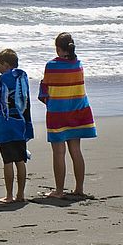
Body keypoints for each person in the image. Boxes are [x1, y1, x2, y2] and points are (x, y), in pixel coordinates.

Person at [38, 32, 97, 199]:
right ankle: (79, 188)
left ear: (58, 48)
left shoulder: (51, 65)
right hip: (78, 111)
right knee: (76, 150)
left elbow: (45, 88)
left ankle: (59, 190)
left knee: (59, 153)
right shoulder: (78, 64)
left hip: (58, 113)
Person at [0, 48, 34, 203]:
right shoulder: (23, 78)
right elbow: (25, 101)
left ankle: (9, 195)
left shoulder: (4, 79)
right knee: (20, 160)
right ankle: (21, 194)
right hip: (20, 124)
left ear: (7, 65)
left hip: (6, 126)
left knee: (8, 161)